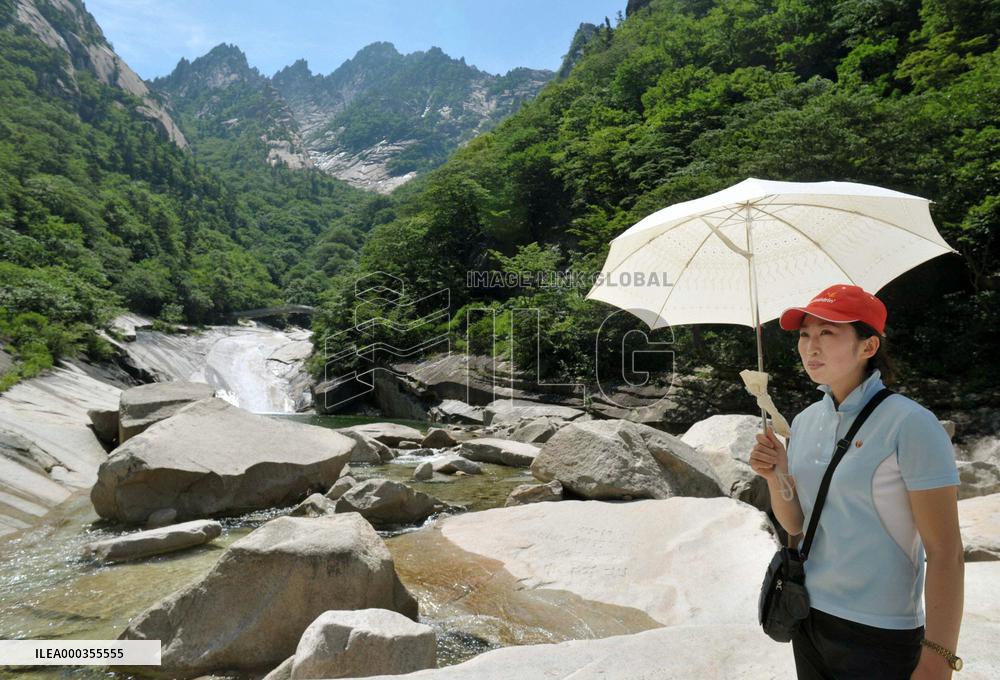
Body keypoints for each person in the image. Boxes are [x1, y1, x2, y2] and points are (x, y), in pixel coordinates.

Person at [749, 284, 964, 680]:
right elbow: (796, 523)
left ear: (868, 347)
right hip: (808, 616)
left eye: (827, 333)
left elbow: (946, 550)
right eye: (804, 335)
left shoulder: (911, 423)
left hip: (881, 630)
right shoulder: (804, 422)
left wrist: (938, 659)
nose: (810, 347)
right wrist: (775, 473)